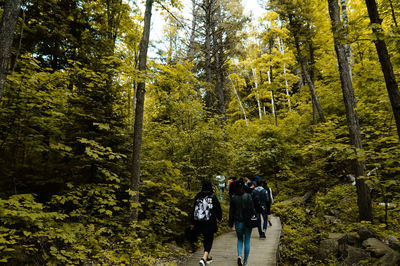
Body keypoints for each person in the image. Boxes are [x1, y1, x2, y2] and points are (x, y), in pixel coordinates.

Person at [229, 179, 260, 266]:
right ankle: (245, 261)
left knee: (239, 240)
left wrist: (230, 224)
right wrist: (255, 219)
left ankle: (239, 256)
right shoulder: (248, 196)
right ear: (243, 187)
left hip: (238, 222)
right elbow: (252, 209)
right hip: (247, 222)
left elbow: (231, 212)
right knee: (247, 241)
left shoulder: (233, 197)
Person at [191, 180, 222, 266]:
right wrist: (220, 218)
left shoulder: (198, 196)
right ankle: (204, 258)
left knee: (206, 238)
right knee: (210, 238)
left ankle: (208, 257)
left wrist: (193, 222)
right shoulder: (213, 196)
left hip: (200, 221)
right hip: (210, 221)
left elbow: (194, 209)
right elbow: (218, 208)